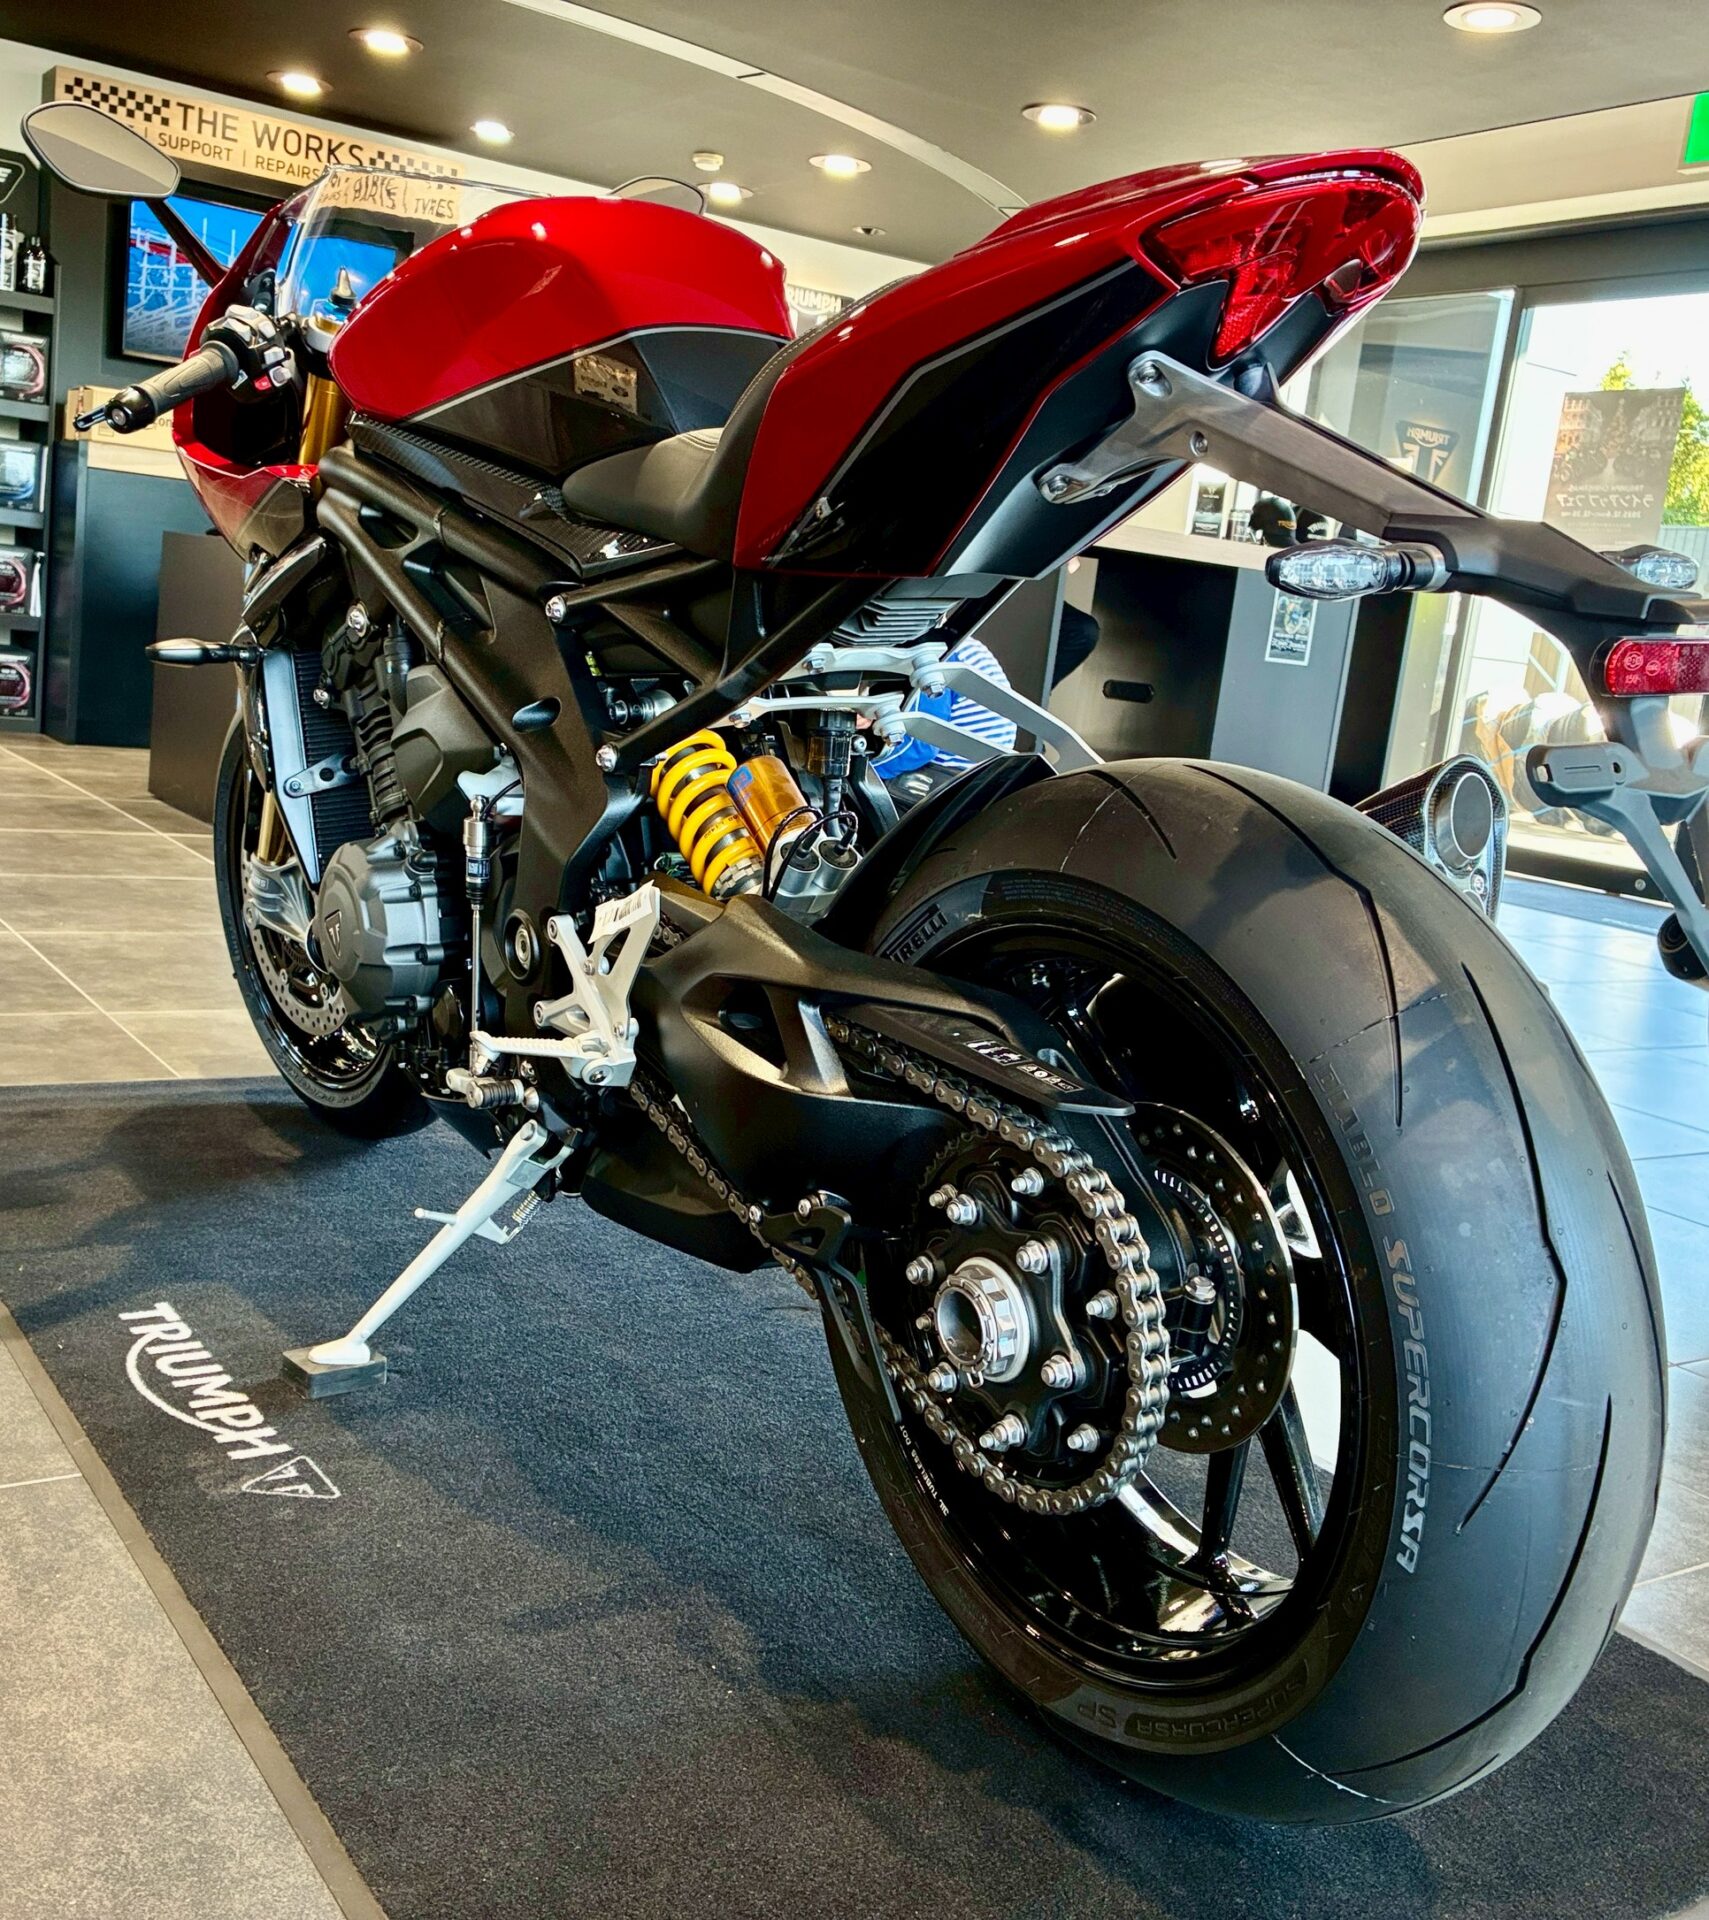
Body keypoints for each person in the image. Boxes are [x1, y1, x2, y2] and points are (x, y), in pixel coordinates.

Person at [874, 634, 1017, 802]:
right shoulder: (958, 642)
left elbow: (920, 745)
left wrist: (862, 767)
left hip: (947, 777)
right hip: (986, 779)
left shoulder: (933, 650)